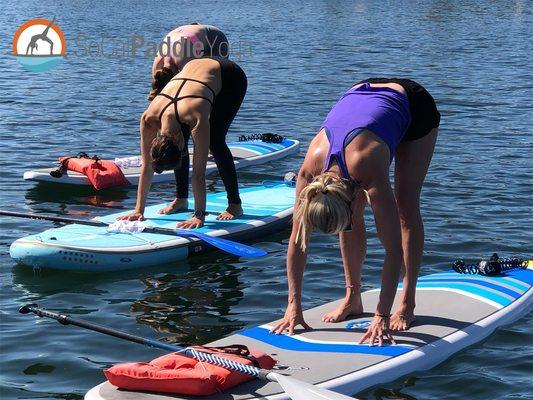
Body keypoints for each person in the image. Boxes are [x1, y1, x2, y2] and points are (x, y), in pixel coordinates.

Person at [271, 78, 440, 346]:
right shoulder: (307, 175)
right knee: (345, 221)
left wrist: (382, 315)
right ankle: (353, 297)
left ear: (354, 200)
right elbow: (297, 241)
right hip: (361, 96)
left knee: (405, 205)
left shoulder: (369, 168)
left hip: (413, 105)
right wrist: (293, 306)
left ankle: (407, 301)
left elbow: (393, 251)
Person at [119, 57, 247, 228]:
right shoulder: (148, 119)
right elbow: (147, 165)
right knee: (185, 137)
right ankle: (181, 199)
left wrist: (199, 216)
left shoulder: (196, 116)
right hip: (194, 74)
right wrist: (138, 210)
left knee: (215, 141)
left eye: (183, 150)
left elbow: (199, 174)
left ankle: (235, 204)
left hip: (230, 76)